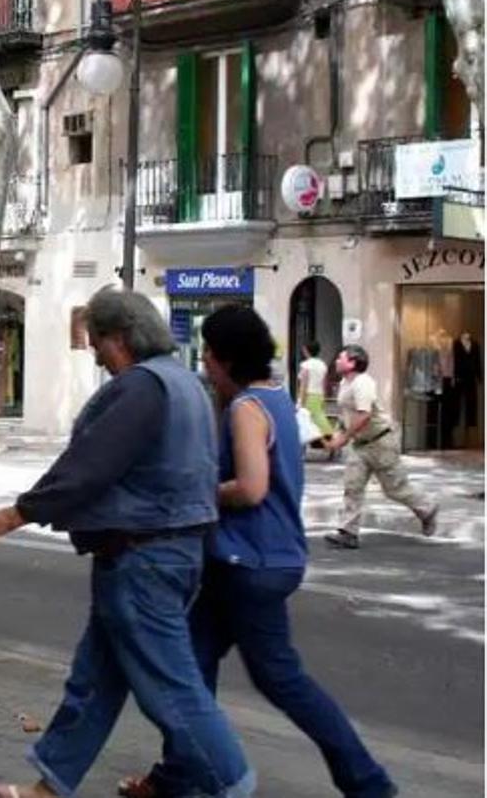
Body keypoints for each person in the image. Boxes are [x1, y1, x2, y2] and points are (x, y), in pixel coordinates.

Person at [0, 289, 254, 798]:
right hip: (167, 552)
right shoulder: (187, 384)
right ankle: (48, 788)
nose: (95, 354)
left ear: (118, 338)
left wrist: (12, 516)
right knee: (95, 681)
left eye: (96, 342)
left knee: (171, 688)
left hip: (142, 558)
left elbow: (89, 469)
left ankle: (232, 782)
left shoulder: (140, 389)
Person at [119, 305, 397, 798]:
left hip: (247, 562)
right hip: (261, 559)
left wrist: (196, 490)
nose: (203, 363)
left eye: (207, 354)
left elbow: (250, 488)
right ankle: (180, 775)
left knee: (278, 679)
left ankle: (369, 783)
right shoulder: (275, 399)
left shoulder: (247, 408)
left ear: (226, 360)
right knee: (192, 669)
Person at [323, 345, 438, 549]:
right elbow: (346, 415)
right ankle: (348, 532)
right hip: (360, 444)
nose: (337, 361)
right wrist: (337, 435)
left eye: (341, 358)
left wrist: (344, 438)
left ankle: (426, 509)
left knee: (394, 489)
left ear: (353, 362)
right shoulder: (345, 383)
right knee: (352, 486)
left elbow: (364, 415)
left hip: (380, 442)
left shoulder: (363, 383)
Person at [297, 341, 334, 445]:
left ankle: (327, 439)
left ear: (306, 350)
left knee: (305, 421)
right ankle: (329, 439)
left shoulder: (306, 365)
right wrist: (324, 396)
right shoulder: (322, 365)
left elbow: (304, 385)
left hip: (308, 395)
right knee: (319, 418)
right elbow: (324, 383)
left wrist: (301, 401)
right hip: (319, 395)